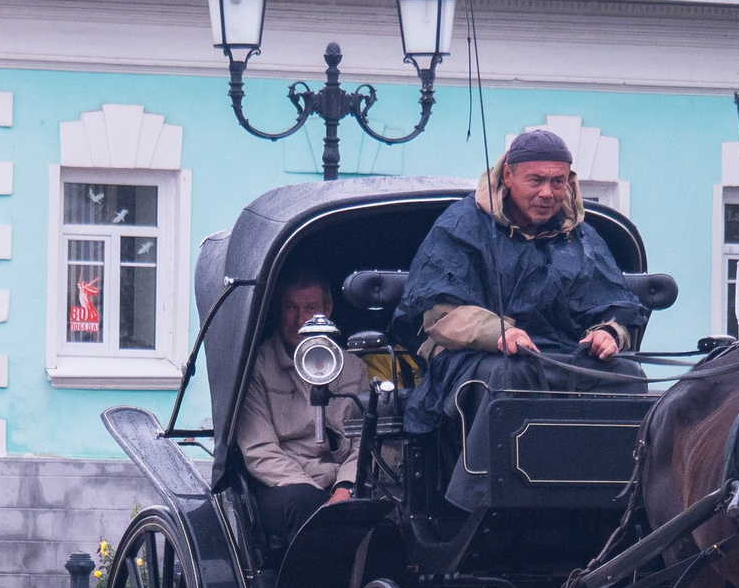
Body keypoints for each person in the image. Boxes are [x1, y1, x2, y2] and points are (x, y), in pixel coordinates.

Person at [392, 127, 647, 512]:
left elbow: (615, 305)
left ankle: (616, 503)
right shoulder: (460, 226)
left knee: (627, 376)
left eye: (557, 181)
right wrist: (499, 333)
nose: (547, 192)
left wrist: (609, 332)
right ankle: (478, 504)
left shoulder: (583, 238)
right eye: (536, 180)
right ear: (508, 176)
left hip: (560, 357)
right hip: (472, 361)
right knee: (511, 375)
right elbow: (440, 315)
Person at [236, 270, 368, 554]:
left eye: (310, 308)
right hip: (284, 485)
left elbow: (363, 442)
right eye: (290, 307)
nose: (299, 320)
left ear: (327, 310)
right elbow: (260, 451)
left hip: (341, 482)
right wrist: (318, 495)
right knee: (304, 503)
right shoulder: (257, 366)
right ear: (276, 309)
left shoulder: (354, 367)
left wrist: (346, 487)